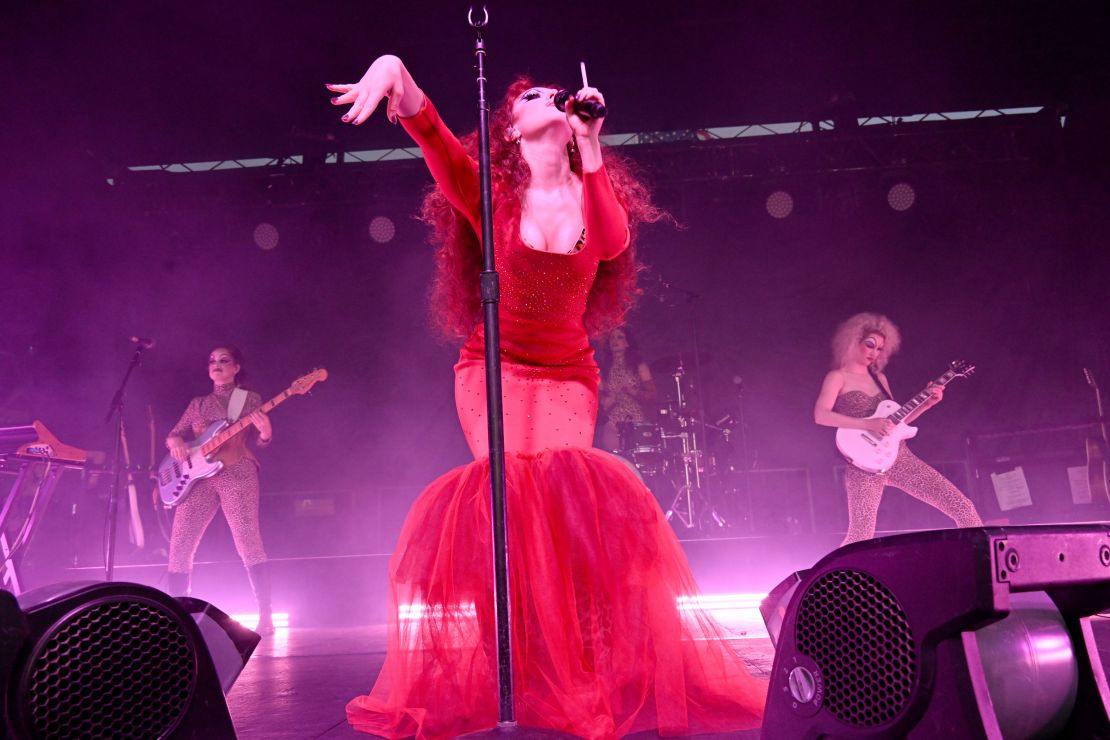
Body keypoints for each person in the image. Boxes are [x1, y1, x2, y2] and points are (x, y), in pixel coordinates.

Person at [328, 55, 765, 739]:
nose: (547, 97)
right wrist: (392, 70)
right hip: (490, 368)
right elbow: (434, 133)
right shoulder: (488, 197)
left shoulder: (592, 195)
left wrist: (590, 141)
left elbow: (615, 241)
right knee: (511, 503)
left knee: (562, 503)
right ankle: (521, 672)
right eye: (531, 96)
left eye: (553, 94)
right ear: (509, 131)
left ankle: (580, 671)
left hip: (567, 372)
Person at [814, 313, 983, 546]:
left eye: (879, 348)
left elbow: (895, 423)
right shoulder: (837, 377)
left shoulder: (879, 379)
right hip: (862, 468)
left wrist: (928, 403)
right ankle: (836, 581)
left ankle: (983, 566)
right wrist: (868, 424)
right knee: (860, 536)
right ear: (853, 341)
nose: (874, 352)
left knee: (963, 507)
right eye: (869, 344)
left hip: (901, 459)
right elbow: (821, 415)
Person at [164, 345, 275, 634]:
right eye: (212, 360)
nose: (217, 364)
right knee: (180, 543)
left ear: (236, 367)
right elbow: (175, 433)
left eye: (224, 360)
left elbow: (261, 440)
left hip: (236, 470)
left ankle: (266, 615)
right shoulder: (198, 404)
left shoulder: (248, 399)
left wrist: (265, 434)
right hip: (198, 477)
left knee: (246, 539)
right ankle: (179, 616)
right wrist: (175, 441)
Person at [598, 326, 657, 452]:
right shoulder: (604, 369)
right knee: (612, 461)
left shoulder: (639, 366)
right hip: (612, 420)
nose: (615, 340)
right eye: (612, 337)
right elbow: (599, 399)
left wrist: (634, 392)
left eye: (619, 337)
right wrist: (606, 401)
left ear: (627, 343)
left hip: (634, 419)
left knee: (633, 458)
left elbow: (652, 395)